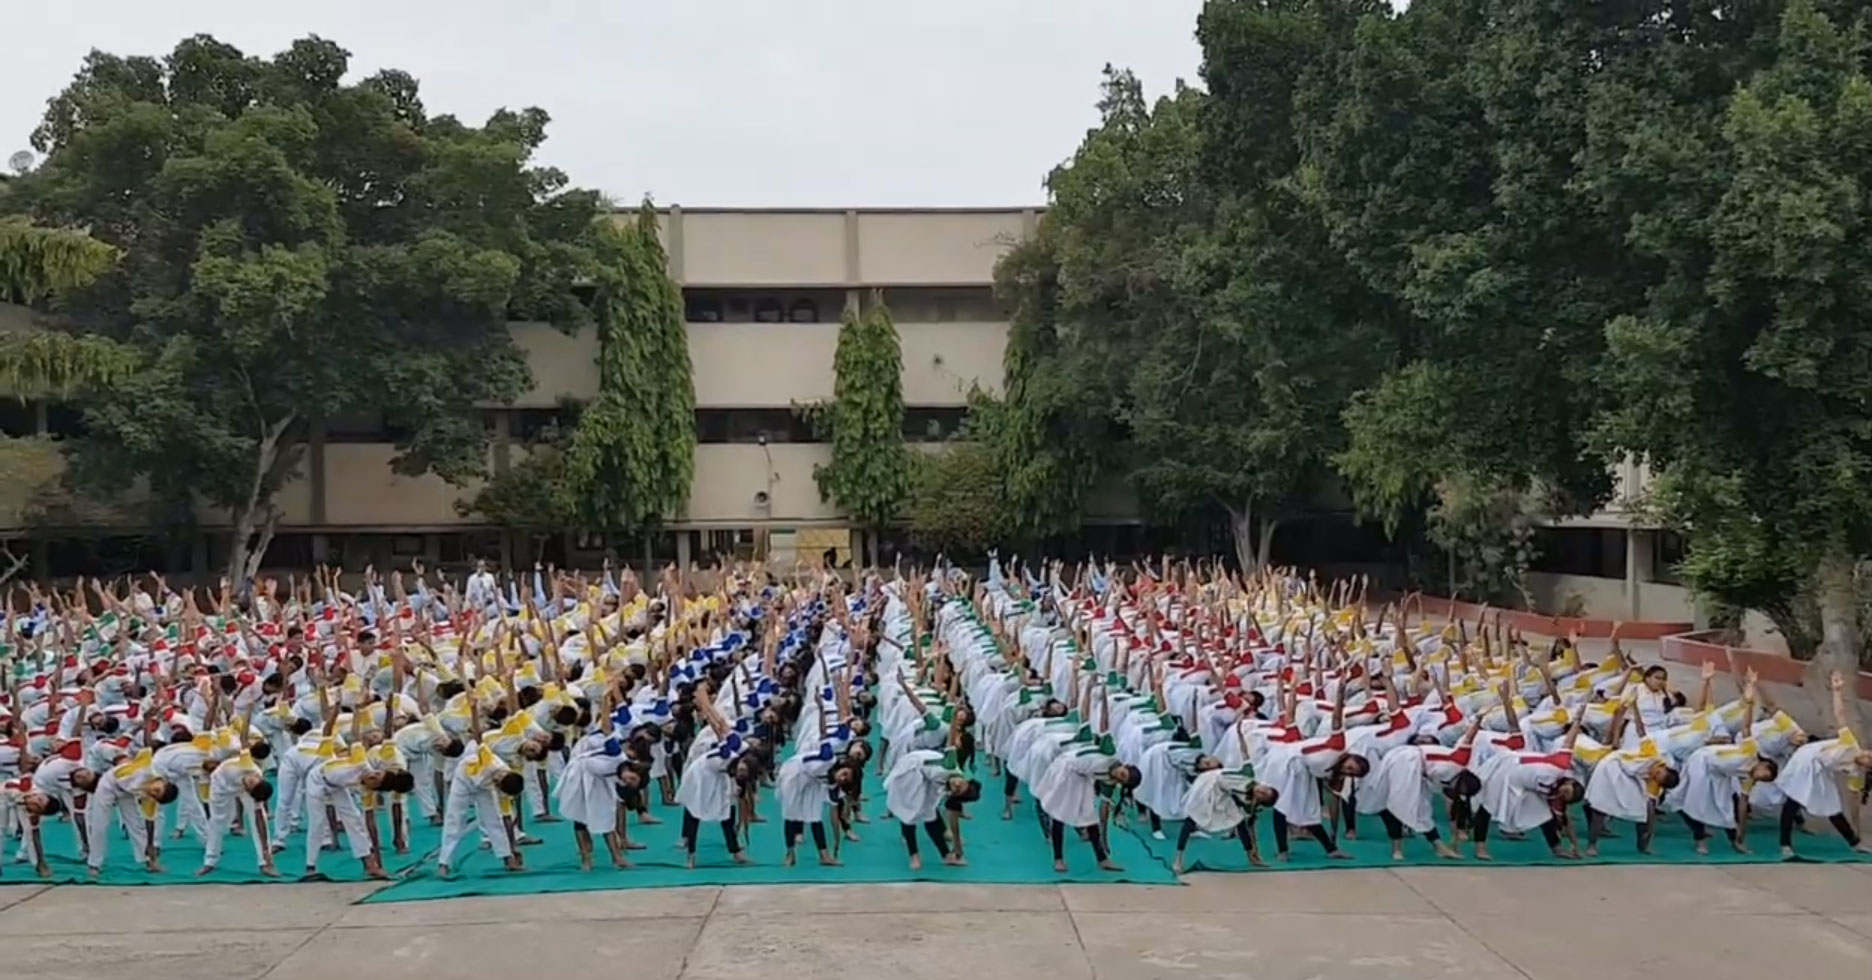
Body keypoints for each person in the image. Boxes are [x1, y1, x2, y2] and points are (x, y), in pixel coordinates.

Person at [1777, 672, 1872, 859]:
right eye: (1870, 753)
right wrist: (1837, 690)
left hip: (1821, 770)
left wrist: (1858, 824)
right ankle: (1785, 845)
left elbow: (1854, 798)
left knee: (1832, 805)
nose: (1867, 755)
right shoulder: (1850, 743)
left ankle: (1854, 842)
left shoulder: (1854, 770)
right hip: (1808, 759)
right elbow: (1840, 715)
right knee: (1794, 800)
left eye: (1870, 760)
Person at [85, 748, 179, 877]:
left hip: (127, 793)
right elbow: (146, 751)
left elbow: (150, 820)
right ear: (162, 781)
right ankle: (94, 864)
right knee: (100, 826)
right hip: (108, 784)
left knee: (137, 826)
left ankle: (149, 862)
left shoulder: (150, 797)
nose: (153, 792)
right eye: (156, 790)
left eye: (156, 796)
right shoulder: (145, 769)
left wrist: (151, 844)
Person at [883, 747, 980, 870]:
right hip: (911, 772)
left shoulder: (949, 790)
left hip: (929, 782)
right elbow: (951, 746)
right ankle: (914, 854)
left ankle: (946, 855)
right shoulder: (949, 766)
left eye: (957, 790)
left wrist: (957, 844)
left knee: (930, 815)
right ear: (965, 780)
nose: (956, 785)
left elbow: (953, 819)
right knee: (908, 814)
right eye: (960, 784)